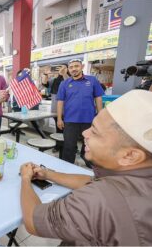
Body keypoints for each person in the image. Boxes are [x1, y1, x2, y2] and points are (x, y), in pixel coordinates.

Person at [20, 90, 152, 245]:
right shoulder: (136, 174)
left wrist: (25, 178)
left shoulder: (100, 199)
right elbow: (93, 181)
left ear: (130, 156)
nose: (85, 133)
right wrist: (48, 174)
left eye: (95, 131)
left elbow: (33, 221)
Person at [57, 59, 104, 165]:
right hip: (70, 120)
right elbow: (60, 102)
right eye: (71, 67)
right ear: (68, 69)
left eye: (76, 66)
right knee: (69, 145)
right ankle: (67, 165)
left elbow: (98, 98)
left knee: (90, 144)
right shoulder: (64, 84)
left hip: (89, 120)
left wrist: (100, 116)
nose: (74, 69)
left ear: (82, 67)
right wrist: (59, 118)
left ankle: (87, 160)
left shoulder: (92, 80)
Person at [42, 64, 69, 133]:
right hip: (55, 109)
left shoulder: (70, 78)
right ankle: (59, 143)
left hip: (66, 110)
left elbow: (69, 84)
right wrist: (45, 74)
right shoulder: (55, 80)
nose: (61, 69)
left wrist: (64, 74)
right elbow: (45, 84)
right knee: (58, 129)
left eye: (64, 68)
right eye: (59, 68)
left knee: (66, 130)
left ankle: (64, 143)